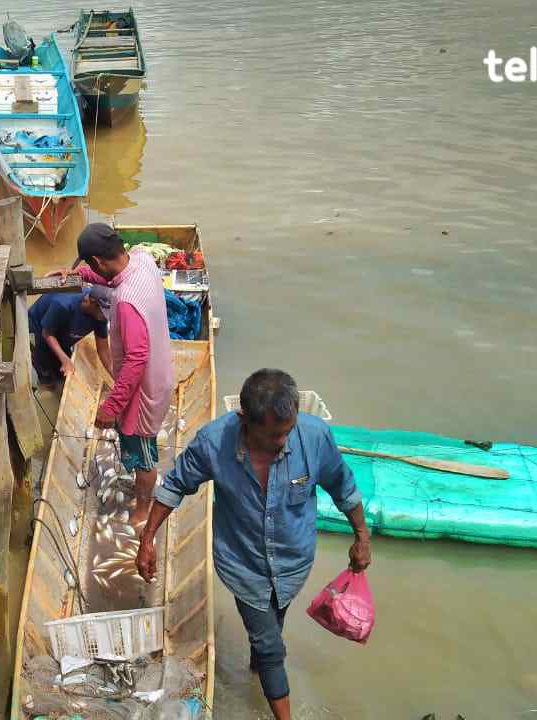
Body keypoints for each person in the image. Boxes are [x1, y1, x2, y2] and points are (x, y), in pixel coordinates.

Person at [135, 369, 373, 720]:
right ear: (245, 419)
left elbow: (343, 486)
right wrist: (147, 538)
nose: (283, 440)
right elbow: (175, 486)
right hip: (242, 563)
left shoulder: (315, 436)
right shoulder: (214, 443)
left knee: (270, 628)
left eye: (288, 430)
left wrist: (362, 536)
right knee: (271, 644)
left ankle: (258, 666)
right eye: (274, 434)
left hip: (293, 562)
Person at [48, 223, 174, 524]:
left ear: (99, 261)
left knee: (145, 456)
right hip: (160, 370)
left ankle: (144, 508)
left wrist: (111, 407)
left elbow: (135, 361)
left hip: (146, 389)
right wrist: (80, 274)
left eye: (90, 265)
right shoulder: (142, 258)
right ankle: (141, 493)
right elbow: (114, 278)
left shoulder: (127, 302)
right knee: (137, 443)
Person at [27, 287, 111, 387]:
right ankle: (45, 380)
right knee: (45, 370)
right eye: (103, 313)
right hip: (39, 328)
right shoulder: (64, 304)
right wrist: (65, 360)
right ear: (92, 302)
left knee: (63, 373)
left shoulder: (100, 316)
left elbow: (103, 350)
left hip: (64, 331)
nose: (105, 317)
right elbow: (47, 333)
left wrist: (117, 377)